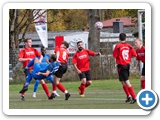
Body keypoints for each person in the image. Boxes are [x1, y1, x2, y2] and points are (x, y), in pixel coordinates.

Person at [112, 33, 137, 104]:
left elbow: (114, 55)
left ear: (119, 38)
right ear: (126, 38)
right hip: (127, 65)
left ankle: (134, 97)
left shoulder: (118, 46)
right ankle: (128, 96)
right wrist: (128, 58)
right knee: (122, 81)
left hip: (121, 65)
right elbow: (134, 54)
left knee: (126, 81)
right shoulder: (129, 46)